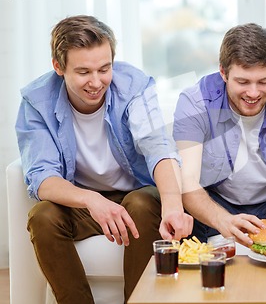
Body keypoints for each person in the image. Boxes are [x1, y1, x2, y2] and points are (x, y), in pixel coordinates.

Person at [15, 15, 193, 304]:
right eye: (83, 72)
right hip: (81, 201)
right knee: (42, 216)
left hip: (134, 196)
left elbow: (158, 147)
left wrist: (173, 205)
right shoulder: (37, 101)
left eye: (104, 68)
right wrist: (92, 200)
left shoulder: (134, 86)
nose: (96, 82)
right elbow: (41, 177)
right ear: (58, 67)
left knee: (143, 202)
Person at [173, 23, 266, 246]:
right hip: (216, 201)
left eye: (264, 81)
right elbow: (187, 181)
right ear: (223, 72)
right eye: (242, 82)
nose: (253, 93)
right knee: (179, 212)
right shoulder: (195, 101)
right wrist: (224, 220)